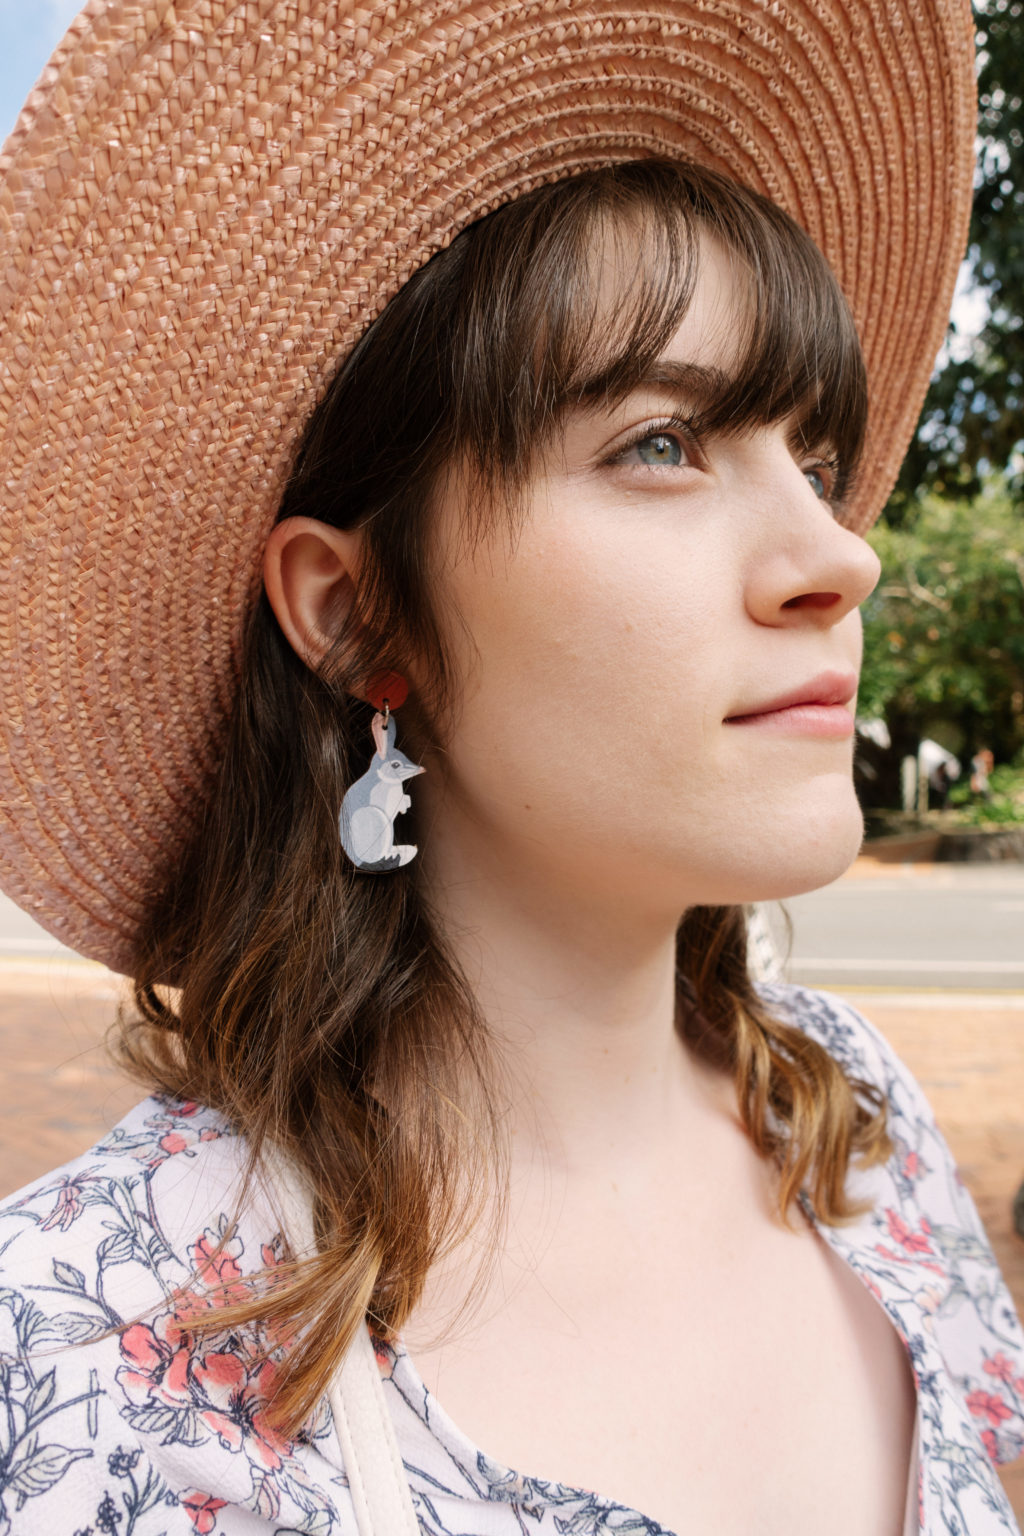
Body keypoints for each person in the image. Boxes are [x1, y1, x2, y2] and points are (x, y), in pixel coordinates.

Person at [0, 2, 1019, 1534]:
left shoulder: (859, 1126)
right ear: (357, 613)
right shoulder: (87, 1359)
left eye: (814, 463)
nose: (839, 555)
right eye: (661, 445)